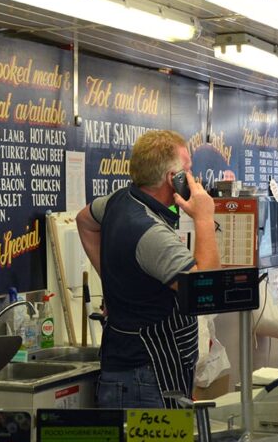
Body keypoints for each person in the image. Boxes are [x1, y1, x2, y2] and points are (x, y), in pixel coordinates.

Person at [76, 130, 220, 408]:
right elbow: (208, 290)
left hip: (138, 373)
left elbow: (85, 220)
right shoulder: (150, 233)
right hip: (147, 380)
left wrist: (112, 283)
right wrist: (204, 217)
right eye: (188, 170)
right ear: (172, 178)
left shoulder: (119, 200)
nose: (194, 178)